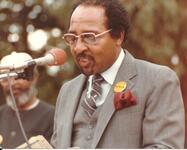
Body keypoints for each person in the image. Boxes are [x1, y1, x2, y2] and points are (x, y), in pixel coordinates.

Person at [51, 0, 185, 148]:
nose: (78, 47)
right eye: (72, 38)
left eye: (89, 36)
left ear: (119, 36)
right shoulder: (67, 91)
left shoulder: (158, 80)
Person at [0, 52, 54, 148]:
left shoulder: (52, 116)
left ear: (34, 77)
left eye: (18, 77)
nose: (11, 83)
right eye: (5, 79)